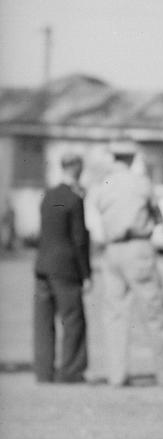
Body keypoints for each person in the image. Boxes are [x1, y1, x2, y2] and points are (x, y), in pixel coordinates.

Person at [90, 152, 163, 387]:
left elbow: (98, 209)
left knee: (114, 315)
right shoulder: (141, 182)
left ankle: (116, 375)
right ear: (132, 159)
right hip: (137, 247)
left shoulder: (105, 183)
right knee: (154, 312)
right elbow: (158, 214)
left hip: (111, 250)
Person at [33, 153, 91, 383]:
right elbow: (79, 239)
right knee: (73, 319)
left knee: (43, 322)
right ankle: (70, 371)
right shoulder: (75, 199)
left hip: (42, 265)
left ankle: (44, 372)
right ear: (78, 169)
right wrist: (86, 273)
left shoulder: (48, 195)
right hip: (66, 268)